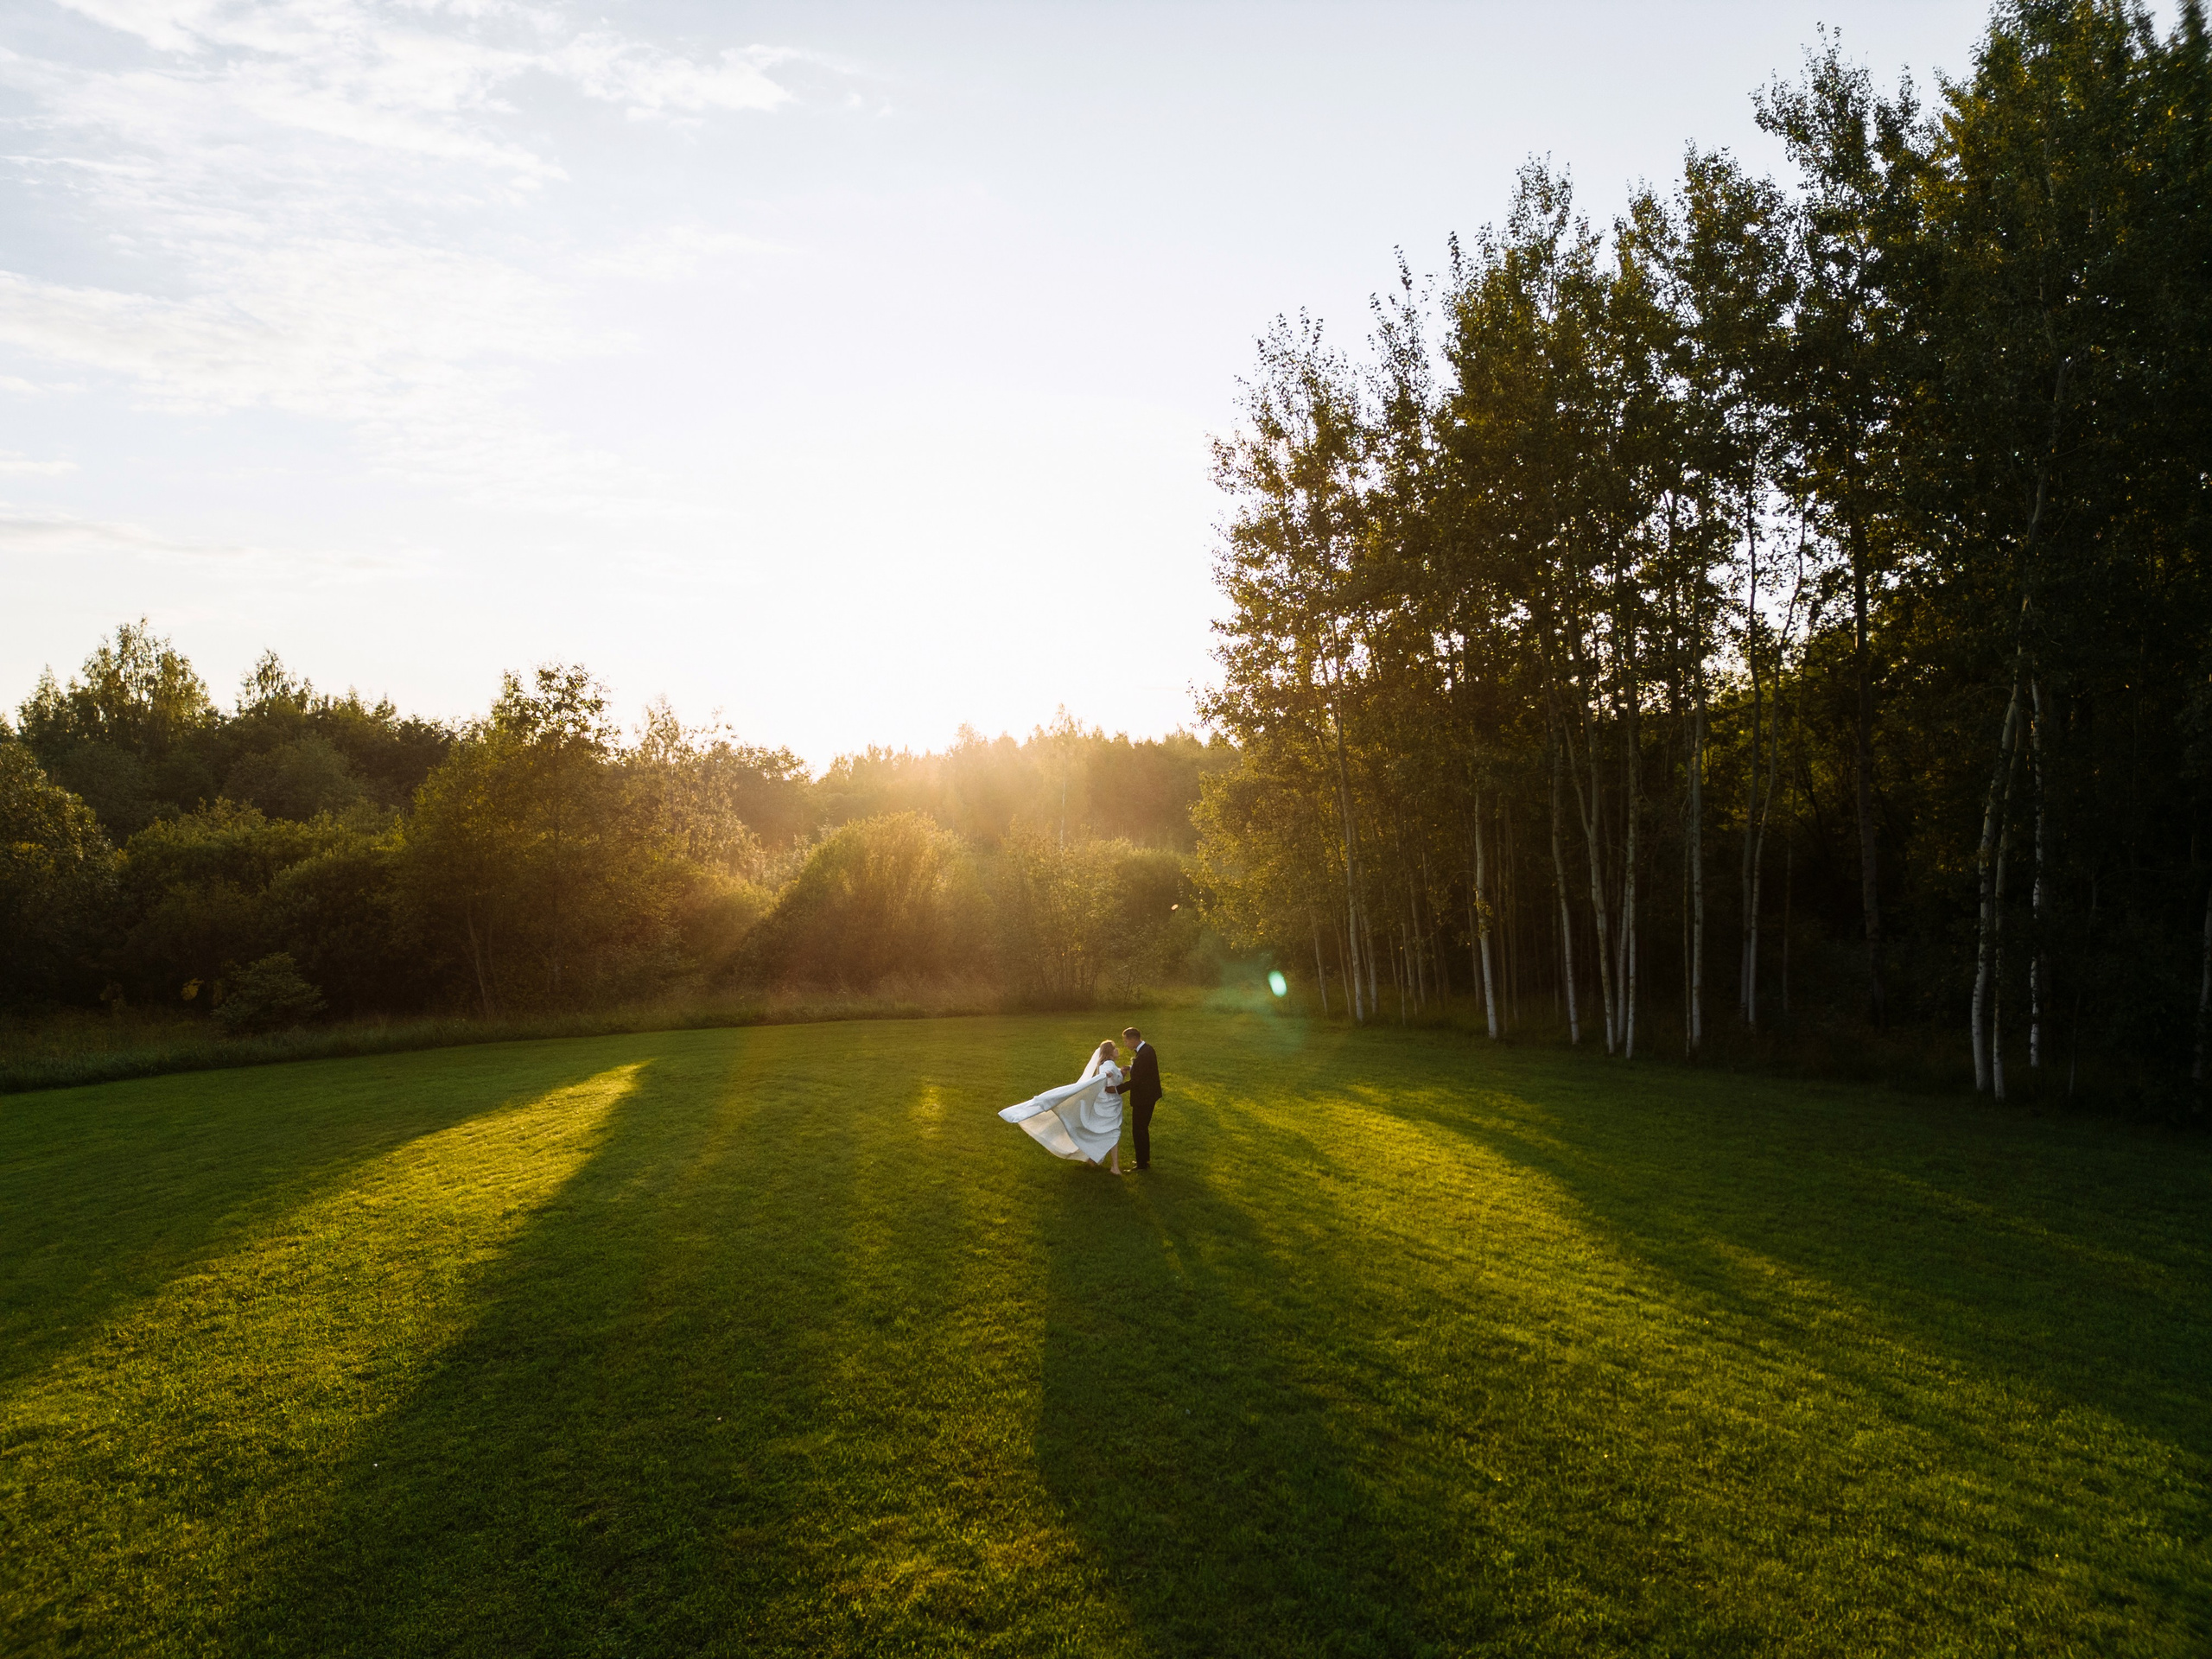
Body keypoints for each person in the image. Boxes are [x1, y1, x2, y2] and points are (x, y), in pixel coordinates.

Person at [997, 1039, 1127, 1173]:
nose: (1118, 1050)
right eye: (1115, 1048)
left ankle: (1092, 1158)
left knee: (1102, 1131)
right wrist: (1108, 1075)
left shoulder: (1109, 1064)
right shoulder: (1108, 1066)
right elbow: (1106, 1076)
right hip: (1107, 1105)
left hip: (1111, 1104)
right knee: (1112, 1132)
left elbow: (1114, 1078)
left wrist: (1122, 1073)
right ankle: (1114, 1167)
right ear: (1110, 1052)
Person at [1112, 1026, 1161, 1171]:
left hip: (1144, 1098)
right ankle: (1144, 1161)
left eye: (1126, 1041)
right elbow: (1143, 1071)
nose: (1125, 1044)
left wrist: (1115, 1089)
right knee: (1142, 1129)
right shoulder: (1147, 1049)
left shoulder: (1144, 1055)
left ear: (1134, 1040)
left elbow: (1136, 1082)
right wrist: (1131, 1068)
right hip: (1149, 1095)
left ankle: (1142, 1164)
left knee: (1139, 1130)